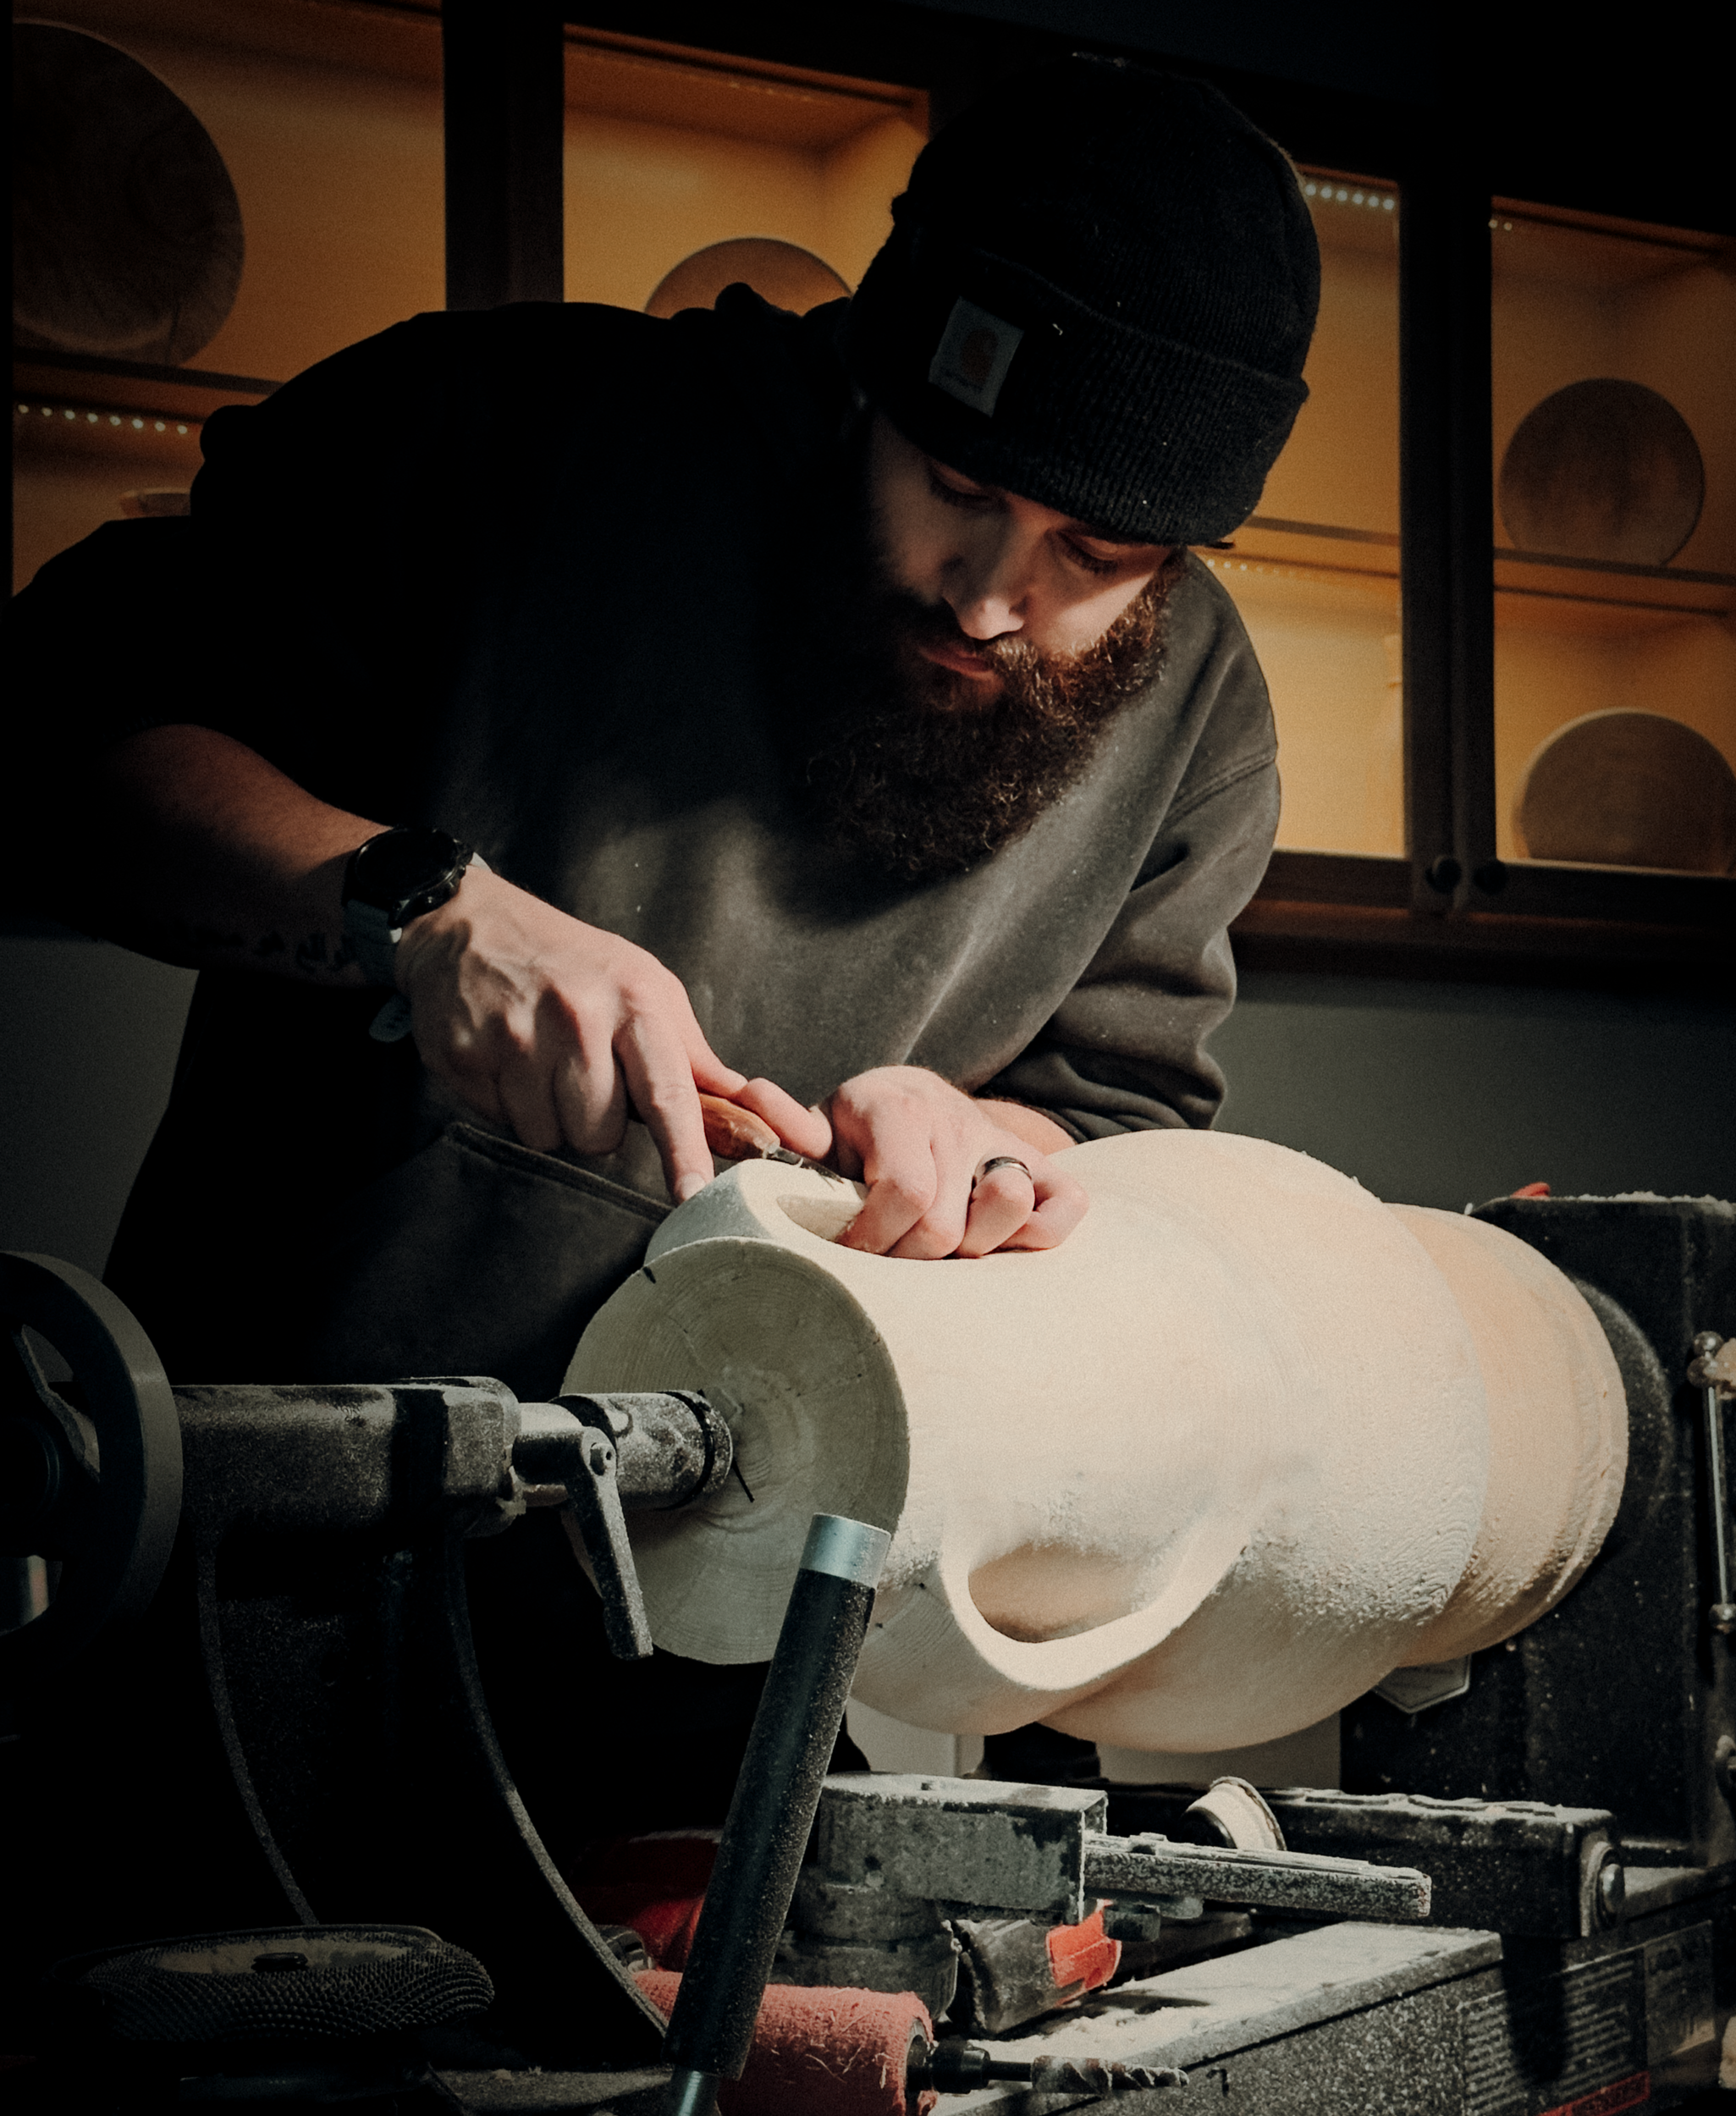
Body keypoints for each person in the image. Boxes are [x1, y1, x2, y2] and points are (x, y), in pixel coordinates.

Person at [8, 54, 1320, 1402]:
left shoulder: (1201, 712)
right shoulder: (501, 435)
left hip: (790, 1528)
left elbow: (1113, 1110)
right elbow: (59, 735)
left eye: (1095, 554)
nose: (990, 598)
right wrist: (421, 916)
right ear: (875, 369)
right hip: (286, 1471)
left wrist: (973, 1137)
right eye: (956, 481)